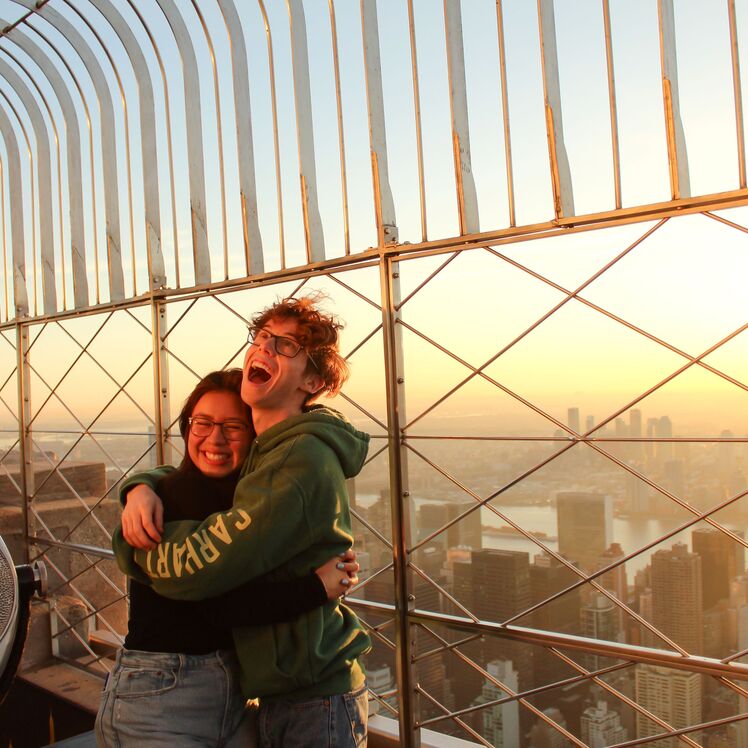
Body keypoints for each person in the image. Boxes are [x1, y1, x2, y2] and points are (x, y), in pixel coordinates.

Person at [113, 295, 371, 747]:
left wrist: (134, 548)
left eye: (285, 346)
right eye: (262, 338)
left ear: (312, 380)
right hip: (274, 691)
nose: (265, 349)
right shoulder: (267, 453)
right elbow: (193, 472)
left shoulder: (297, 458)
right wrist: (140, 486)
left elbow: (207, 571)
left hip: (312, 693)